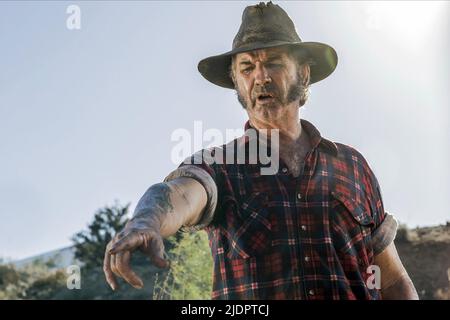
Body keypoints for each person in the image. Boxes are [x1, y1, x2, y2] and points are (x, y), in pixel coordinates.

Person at [103, 1, 418, 300]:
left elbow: (392, 279)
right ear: (236, 82)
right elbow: (181, 195)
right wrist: (147, 221)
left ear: (304, 73)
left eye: (274, 63)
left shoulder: (353, 166)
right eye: (247, 67)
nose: (261, 77)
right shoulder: (221, 166)